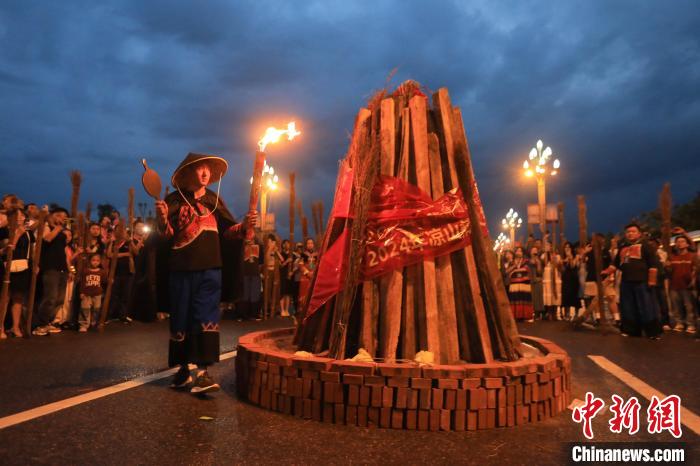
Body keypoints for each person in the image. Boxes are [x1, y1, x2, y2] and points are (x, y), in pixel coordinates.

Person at [155, 152, 254, 394]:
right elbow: (166, 237)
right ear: (187, 173)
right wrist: (162, 220)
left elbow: (229, 232)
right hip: (181, 268)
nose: (205, 172)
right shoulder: (172, 201)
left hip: (211, 268)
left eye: (208, 168)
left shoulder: (215, 201)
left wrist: (245, 227)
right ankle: (183, 369)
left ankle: (203, 372)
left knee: (206, 317)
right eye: (199, 168)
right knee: (182, 317)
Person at [613, 223, 662, 339]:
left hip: (643, 282)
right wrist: (607, 272)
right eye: (628, 232)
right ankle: (631, 331)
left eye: (633, 231)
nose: (630, 234)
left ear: (639, 233)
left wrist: (652, 280)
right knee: (628, 307)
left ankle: (653, 332)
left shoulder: (646, 246)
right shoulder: (622, 247)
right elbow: (615, 264)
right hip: (626, 282)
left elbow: (653, 264)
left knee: (647, 307)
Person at [33, 207, 69, 336]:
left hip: (62, 268)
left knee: (60, 299)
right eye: (59, 215)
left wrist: (68, 268)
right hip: (50, 267)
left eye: (64, 216)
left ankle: (48, 322)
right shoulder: (46, 226)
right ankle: (40, 324)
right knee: (50, 297)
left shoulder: (62, 232)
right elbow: (47, 239)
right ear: (52, 216)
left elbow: (64, 250)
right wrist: (58, 228)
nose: (62, 218)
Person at [1, 208, 32, 338]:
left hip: (23, 266)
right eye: (17, 216)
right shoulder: (4, 231)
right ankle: (1, 327)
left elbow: (32, 249)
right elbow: (6, 249)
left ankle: (15, 326)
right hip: (6, 266)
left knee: (18, 298)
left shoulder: (28, 233)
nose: (20, 218)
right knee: (5, 298)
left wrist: (35, 264)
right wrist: (18, 234)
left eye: (22, 215)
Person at [666, 235, 698, 333]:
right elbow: (669, 272)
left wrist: (693, 280)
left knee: (689, 306)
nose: (680, 243)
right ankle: (679, 323)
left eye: (682, 241)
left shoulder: (692, 256)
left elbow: (696, 269)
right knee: (676, 306)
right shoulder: (672, 256)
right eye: (678, 242)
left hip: (687, 285)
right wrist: (667, 267)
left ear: (687, 244)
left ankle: (691, 324)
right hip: (674, 285)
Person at [78, 253, 107, 332]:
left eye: (97, 260)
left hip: (97, 294)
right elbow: (82, 282)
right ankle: (84, 325)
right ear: (90, 261)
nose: (95, 262)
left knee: (96, 309)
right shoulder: (86, 271)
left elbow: (104, 282)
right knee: (85, 309)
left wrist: (110, 280)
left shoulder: (102, 271)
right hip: (86, 293)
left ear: (100, 262)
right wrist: (81, 292)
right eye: (93, 260)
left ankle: (93, 323)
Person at [506, 246, 534, 322]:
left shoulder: (526, 261)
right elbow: (507, 272)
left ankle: (526, 316)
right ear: (515, 253)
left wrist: (519, 269)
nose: (519, 252)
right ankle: (515, 316)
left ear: (523, 253)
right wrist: (515, 266)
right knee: (515, 299)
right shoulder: (511, 262)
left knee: (524, 299)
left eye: (520, 251)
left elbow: (528, 270)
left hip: (524, 284)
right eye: (517, 251)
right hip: (514, 284)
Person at [560, 242, 580, 320]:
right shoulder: (562, 258)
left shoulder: (576, 257)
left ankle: (576, 314)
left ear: (571, 248)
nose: (567, 248)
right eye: (565, 247)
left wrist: (570, 258)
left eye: (568, 247)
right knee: (566, 296)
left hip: (574, 278)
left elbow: (573, 266)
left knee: (575, 297)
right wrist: (563, 262)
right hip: (566, 279)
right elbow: (562, 270)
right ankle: (567, 314)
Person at [262, 234, 280, 320]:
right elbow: (265, 260)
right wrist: (270, 248)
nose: (271, 243)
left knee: (275, 291)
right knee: (267, 291)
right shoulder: (266, 250)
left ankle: (274, 310)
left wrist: (276, 251)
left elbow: (282, 260)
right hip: (268, 272)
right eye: (269, 242)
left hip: (275, 273)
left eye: (272, 242)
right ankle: (266, 310)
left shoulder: (276, 251)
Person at [541, 247, 562, 320]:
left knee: (555, 296)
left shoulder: (558, 257)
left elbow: (560, 267)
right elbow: (544, 263)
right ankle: (549, 313)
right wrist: (547, 254)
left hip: (556, 279)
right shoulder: (544, 256)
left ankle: (555, 313)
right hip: (548, 279)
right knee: (549, 296)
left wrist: (555, 259)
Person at [278, 239, 294, 318]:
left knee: (288, 293)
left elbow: (295, 265)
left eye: (288, 243)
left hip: (290, 275)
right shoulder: (281, 254)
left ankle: (287, 310)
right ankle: (282, 310)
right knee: (282, 292)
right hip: (283, 275)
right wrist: (287, 261)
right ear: (283, 245)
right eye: (285, 243)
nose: (286, 245)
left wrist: (292, 272)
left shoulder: (291, 254)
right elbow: (280, 266)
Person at [529, 246, 545, 320]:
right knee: (532, 297)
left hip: (538, 280)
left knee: (538, 297)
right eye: (533, 250)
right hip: (530, 280)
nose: (535, 252)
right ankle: (533, 313)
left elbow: (540, 272)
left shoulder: (539, 261)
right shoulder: (528, 261)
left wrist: (538, 263)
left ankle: (539, 313)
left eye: (536, 250)